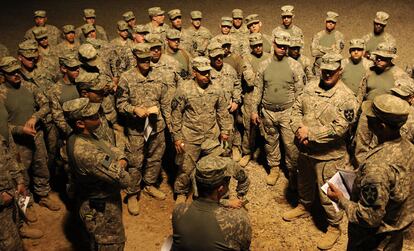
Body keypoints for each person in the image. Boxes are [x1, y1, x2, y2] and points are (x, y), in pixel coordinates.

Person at [284, 52, 358, 250]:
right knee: (305, 182)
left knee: (330, 192)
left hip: (329, 156)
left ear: (339, 71)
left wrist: (311, 133)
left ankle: (334, 226)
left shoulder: (347, 98)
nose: (327, 75)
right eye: (324, 70)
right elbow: (295, 110)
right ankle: (304, 205)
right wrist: (298, 130)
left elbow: (341, 128)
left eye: (331, 72)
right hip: (306, 150)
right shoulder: (309, 88)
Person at [327, 94, 414, 251]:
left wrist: (340, 199)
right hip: (395, 233)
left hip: (374, 240)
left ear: (381, 126)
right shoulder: (409, 148)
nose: (367, 119)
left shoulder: (377, 167)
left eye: (371, 117)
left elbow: (368, 218)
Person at [63, 98, 130, 251]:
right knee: (111, 244)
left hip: (97, 199)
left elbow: (107, 147)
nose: (99, 117)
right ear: (80, 123)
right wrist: (121, 163)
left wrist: (120, 158)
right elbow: (125, 179)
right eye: (93, 116)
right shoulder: (86, 152)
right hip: (102, 209)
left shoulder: (83, 135)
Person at [0, 57, 60, 213]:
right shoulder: (2, 94)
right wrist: (20, 130)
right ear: (3, 74)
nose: (16, 74)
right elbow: (2, 126)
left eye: (17, 70)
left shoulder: (29, 87)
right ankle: (26, 206)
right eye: (11, 72)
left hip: (36, 136)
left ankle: (43, 195)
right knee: (22, 176)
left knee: (41, 168)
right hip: (17, 143)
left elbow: (46, 104)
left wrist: (35, 117)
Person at [117, 43, 171, 215]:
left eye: (148, 59)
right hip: (137, 127)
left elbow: (165, 102)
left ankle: (149, 184)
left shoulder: (160, 75)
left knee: (155, 157)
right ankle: (132, 192)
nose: (146, 63)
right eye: (142, 60)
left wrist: (170, 124)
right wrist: (133, 109)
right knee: (135, 160)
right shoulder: (126, 78)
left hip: (155, 125)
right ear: (135, 59)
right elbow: (120, 103)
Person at [171, 56, 231, 204]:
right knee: (186, 168)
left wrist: (225, 131)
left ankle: (211, 195)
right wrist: (177, 137)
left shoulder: (216, 88)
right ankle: (181, 193)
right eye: (202, 73)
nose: (206, 76)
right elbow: (176, 114)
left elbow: (222, 111)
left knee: (214, 167)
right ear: (194, 72)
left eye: (208, 72)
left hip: (211, 136)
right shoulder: (184, 89)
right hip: (190, 136)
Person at [251, 30, 304, 186]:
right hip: (267, 112)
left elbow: (300, 92)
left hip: (287, 112)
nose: (282, 49)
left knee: (291, 145)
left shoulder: (295, 66)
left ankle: (293, 173)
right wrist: (254, 110)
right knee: (270, 141)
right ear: (273, 44)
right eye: (279, 45)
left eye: (285, 47)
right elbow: (258, 89)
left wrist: (298, 115)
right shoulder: (263, 66)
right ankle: (274, 168)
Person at [172, 149, 251, 250]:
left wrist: (239, 197)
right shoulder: (238, 220)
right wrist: (228, 203)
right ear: (221, 189)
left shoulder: (178, 211)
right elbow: (244, 247)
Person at [239, 33, 271, 167]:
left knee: (268, 125)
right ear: (251, 47)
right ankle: (247, 152)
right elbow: (250, 80)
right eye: (255, 46)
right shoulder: (246, 59)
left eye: (259, 45)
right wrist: (264, 77)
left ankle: (267, 154)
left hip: (266, 96)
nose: (258, 48)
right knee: (249, 126)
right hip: (250, 97)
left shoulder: (269, 57)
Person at [208, 42, 242, 162]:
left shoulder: (230, 69)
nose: (218, 59)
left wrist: (236, 101)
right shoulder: (206, 71)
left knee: (230, 132)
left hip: (228, 109)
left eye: (220, 57)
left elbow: (237, 85)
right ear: (210, 57)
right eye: (215, 57)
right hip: (211, 111)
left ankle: (230, 152)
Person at [196, 139, 250, 208]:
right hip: (205, 204)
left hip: (222, 197)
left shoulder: (229, 164)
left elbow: (244, 179)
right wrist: (228, 203)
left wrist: (240, 196)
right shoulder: (199, 169)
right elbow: (198, 196)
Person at [311, 11, 345, 77]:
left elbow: (336, 53)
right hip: (318, 69)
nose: (330, 24)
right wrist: (330, 49)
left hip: (333, 70)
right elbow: (314, 52)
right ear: (325, 22)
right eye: (329, 21)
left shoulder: (339, 36)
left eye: (333, 22)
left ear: (335, 24)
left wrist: (320, 48)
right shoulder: (318, 35)